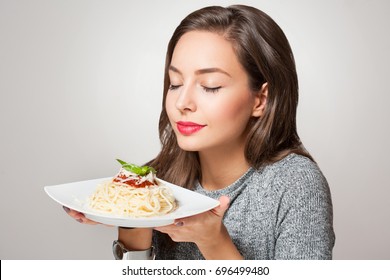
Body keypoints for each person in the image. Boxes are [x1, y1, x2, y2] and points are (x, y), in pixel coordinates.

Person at [64, 4, 335, 260]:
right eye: (175, 83)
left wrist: (214, 242)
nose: (182, 103)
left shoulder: (295, 184)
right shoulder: (156, 183)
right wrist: (132, 222)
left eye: (210, 86)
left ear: (260, 100)